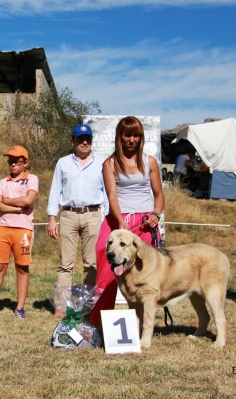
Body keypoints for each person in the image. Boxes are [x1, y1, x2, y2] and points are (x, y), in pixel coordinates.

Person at [90, 116, 165, 326]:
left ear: (140, 137)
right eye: (127, 135)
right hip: (118, 221)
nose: (131, 139)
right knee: (107, 273)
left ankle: (142, 324)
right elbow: (112, 197)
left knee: (144, 275)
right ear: (120, 137)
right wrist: (120, 222)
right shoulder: (110, 163)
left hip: (144, 222)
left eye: (136, 135)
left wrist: (156, 214)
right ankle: (98, 324)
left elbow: (159, 195)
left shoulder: (149, 161)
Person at [47, 124, 107, 317]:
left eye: (88, 139)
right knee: (65, 264)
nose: (84, 142)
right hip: (68, 215)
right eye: (80, 139)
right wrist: (51, 218)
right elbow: (56, 190)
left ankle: (89, 307)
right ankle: (61, 307)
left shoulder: (102, 163)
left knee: (92, 264)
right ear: (72, 141)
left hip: (93, 215)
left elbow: (107, 193)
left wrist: (107, 220)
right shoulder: (63, 163)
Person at [0, 146, 38, 319]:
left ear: (25, 162)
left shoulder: (32, 179)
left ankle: (20, 308)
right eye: (10, 162)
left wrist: (7, 201)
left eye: (17, 162)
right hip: (2, 228)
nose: (13, 165)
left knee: (22, 268)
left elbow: (28, 200)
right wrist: (16, 208)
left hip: (23, 230)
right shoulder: (2, 182)